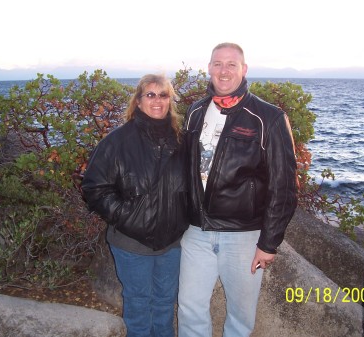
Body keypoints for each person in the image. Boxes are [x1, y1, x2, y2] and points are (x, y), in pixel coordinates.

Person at [178, 42, 298, 337]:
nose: (224, 70)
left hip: (243, 236)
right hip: (196, 232)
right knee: (189, 309)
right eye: (218, 63)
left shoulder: (268, 117)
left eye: (232, 64)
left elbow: (284, 186)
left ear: (244, 70)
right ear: (209, 68)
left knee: (241, 318)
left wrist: (269, 243)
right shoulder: (194, 112)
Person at [81, 74, 189, 337]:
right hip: (131, 242)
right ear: (138, 101)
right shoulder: (117, 141)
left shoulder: (182, 140)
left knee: (165, 304)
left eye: (163, 95)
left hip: (171, 243)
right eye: (150, 94)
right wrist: (130, 217)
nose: (157, 100)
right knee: (139, 306)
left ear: (170, 100)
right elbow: (94, 188)